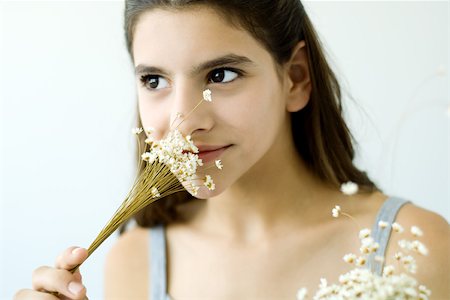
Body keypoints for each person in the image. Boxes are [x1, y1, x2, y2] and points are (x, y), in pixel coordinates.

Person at [14, 1, 449, 299]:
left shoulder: (409, 248)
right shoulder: (137, 263)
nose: (184, 121)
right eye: (154, 81)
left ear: (295, 78)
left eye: (220, 75)